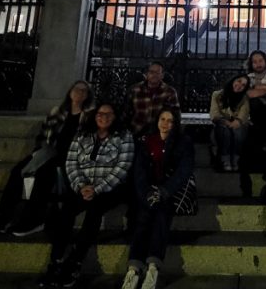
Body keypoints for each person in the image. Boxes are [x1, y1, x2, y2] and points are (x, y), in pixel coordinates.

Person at [39, 102, 134, 288]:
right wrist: (81, 186)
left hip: (109, 189)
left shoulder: (124, 136)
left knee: (94, 212)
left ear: (115, 117)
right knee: (66, 212)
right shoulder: (82, 135)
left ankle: (75, 260)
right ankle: (56, 260)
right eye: (100, 113)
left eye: (109, 113)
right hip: (82, 187)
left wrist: (96, 188)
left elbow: (122, 167)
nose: (104, 117)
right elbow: (71, 163)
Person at [0, 79, 95, 237]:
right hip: (49, 152)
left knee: (43, 176)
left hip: (71, 157)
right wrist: (39, 152)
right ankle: (3, 218)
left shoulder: (89, 116)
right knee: (17, 172)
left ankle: (33, 220)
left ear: (88, 95)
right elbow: (44, 135)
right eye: (76, 89)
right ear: (70, 91)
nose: (79, 93)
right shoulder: (57, 112)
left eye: (83, 90)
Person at [122, 106, 195, 289]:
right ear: (157, 121)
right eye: (163, 119)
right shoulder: (146, 141)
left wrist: (163, 192)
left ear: (175, 123)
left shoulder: (183, 142)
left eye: (170, 120)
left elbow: (183, 171)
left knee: (161, 215)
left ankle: (153, 267)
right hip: (148, 190)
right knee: (143, 217)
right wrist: (146, 193)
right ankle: (134, 268)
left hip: (171, 191)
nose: (166, 124)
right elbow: (139, 172)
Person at [209, 72, 251, 172]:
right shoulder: (217, 94)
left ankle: (236, 159)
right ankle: (225, 159)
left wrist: (237, 122)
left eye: (243, 85)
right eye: (239, 81)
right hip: (222, 123)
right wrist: (224, 121)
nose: (240, 85)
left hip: (237, 123)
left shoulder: (244, 98)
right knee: (225, 130)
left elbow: (243, 114)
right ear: (233, 80)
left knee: (238, 130)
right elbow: (214, 113)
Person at [125, 61, 179, 135]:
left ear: (162, 75)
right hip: (136, 132)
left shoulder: (170, 92)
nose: (154, 75)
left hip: (160, 134)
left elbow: (175, 115)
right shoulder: (134, 90)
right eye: (152, 72)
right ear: (147, 74)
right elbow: (126, 112)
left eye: (157, 72)